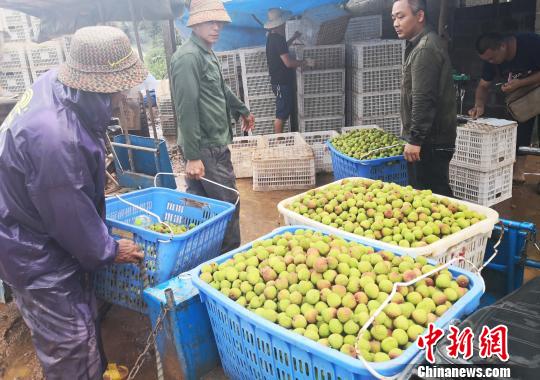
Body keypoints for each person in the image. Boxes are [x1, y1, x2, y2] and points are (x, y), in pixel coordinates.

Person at [0, 26, 145, 379]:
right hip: (31, 249)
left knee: (82, 316)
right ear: (101, 85)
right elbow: (71, 214)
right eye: (120, 88)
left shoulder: (57, 84)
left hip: (29, 221)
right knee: (71, 343)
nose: (123, 94)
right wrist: (109, 249)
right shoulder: (56, 139)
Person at [171, 0, 254, 253]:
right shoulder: (188, 58)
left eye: (218, 22)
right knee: (229, 204)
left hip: (214, 144)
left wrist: (241, 108)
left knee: (199, 205)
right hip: (205, 148)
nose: (216, 27)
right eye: (209, 21)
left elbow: (220, 87)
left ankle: (197, 255)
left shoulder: (206, 51)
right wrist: (193, 156)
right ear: (194, 23)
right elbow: (186, 109)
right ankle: (230, 259)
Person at [392, 0, 457, 196]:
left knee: (432, 198)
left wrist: (415, 140)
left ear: (419, 16)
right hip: (431, 139)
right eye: (393, 18)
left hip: (430, 142)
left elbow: (424, 98)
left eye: (401, 16)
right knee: (432, 196)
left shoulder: (425, 49)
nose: (395, 23)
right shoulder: (421, 44)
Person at [468, 32, 540, 184]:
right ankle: (518, 172)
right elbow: (483, 85)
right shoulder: (491, 58)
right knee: (521, 127)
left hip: (533, 87)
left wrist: (520, 83)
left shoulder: (531, 44)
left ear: (502, 46)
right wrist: (479, 106)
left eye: (492, 58)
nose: (491, 62)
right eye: (487, 60)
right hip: (525, 96)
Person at [265, 8, 307, 134]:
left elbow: (282, 48)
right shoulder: (277, 39)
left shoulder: (273, 37)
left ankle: (279, 141)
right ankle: (278, 143)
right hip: (280, 83)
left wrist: (293, 37)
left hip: (281, 82)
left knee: (284, 111)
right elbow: (288, 63)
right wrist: (304, 62)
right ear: (281, 24)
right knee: (281, 114)